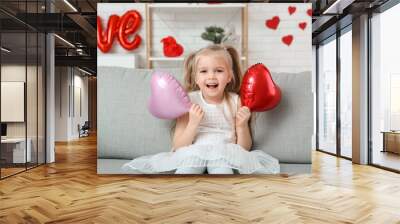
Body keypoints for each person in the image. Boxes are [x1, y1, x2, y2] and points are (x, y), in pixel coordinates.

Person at [122, 44, 280, 174]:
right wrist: (193, 123)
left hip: (224, 153)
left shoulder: (235, 101)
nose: (211, 76)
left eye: (219, 71)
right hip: (193, 151)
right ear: (196, 78)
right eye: (204, 71)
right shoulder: (188, 101)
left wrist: (242, 125)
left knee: (222, 172)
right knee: (186, 172)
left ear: (230, 76)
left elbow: (244, 148)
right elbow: (178, 146)